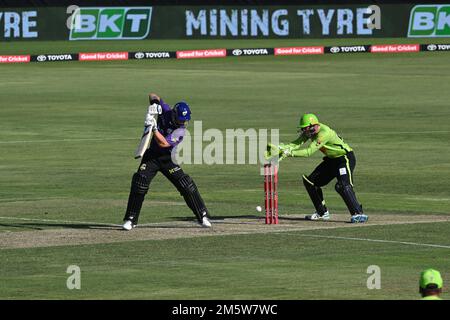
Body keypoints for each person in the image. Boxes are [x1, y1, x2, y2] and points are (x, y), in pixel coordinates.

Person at [122, 93, 211, 230]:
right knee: (140, 182)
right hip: (151, 156)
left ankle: (202, 215)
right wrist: (154, 106)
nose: (183, 123)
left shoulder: (181, 132)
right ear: (174, 114)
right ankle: (130, 219)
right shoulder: (166, 110)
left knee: (186, 184)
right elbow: (153, 95)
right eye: (181, 120)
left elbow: (163, 143)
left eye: (184, 121)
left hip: (168, 158)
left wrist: (153, 128)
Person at [275, 113, 368, 223]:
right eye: (303, 129)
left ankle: (358, 214)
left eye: (305, 129)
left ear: (313, 126)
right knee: (310, 182)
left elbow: (308, 152)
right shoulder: (310, 132)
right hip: (331, 160)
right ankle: (322, 212)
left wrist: (288, 153)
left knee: (342, 186)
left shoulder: (323, 133)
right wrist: (281, 148)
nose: (304, 132)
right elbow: (296, 143)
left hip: (344, 158)